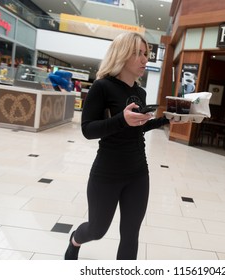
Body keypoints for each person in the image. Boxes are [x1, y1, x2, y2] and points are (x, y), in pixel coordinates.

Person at [64, 32, 174, 260]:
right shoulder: (102, 87)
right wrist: (120, 120)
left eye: (146, 54)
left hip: (138, 173)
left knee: (131, 234)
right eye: (138, 53)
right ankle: (75, 239)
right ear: (122, 54)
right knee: (97, 230)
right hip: (107, 172)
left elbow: (137, 127)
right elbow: (88, 129)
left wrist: (167, 120)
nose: (145, 59)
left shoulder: (140, 92)